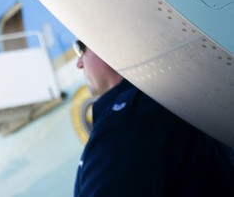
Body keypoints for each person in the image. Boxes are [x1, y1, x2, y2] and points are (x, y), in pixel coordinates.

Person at [72, 40, 234, 196]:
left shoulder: (128, 121)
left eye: (80, 48)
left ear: (103, 44)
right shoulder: (168, 99)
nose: (79, 63)